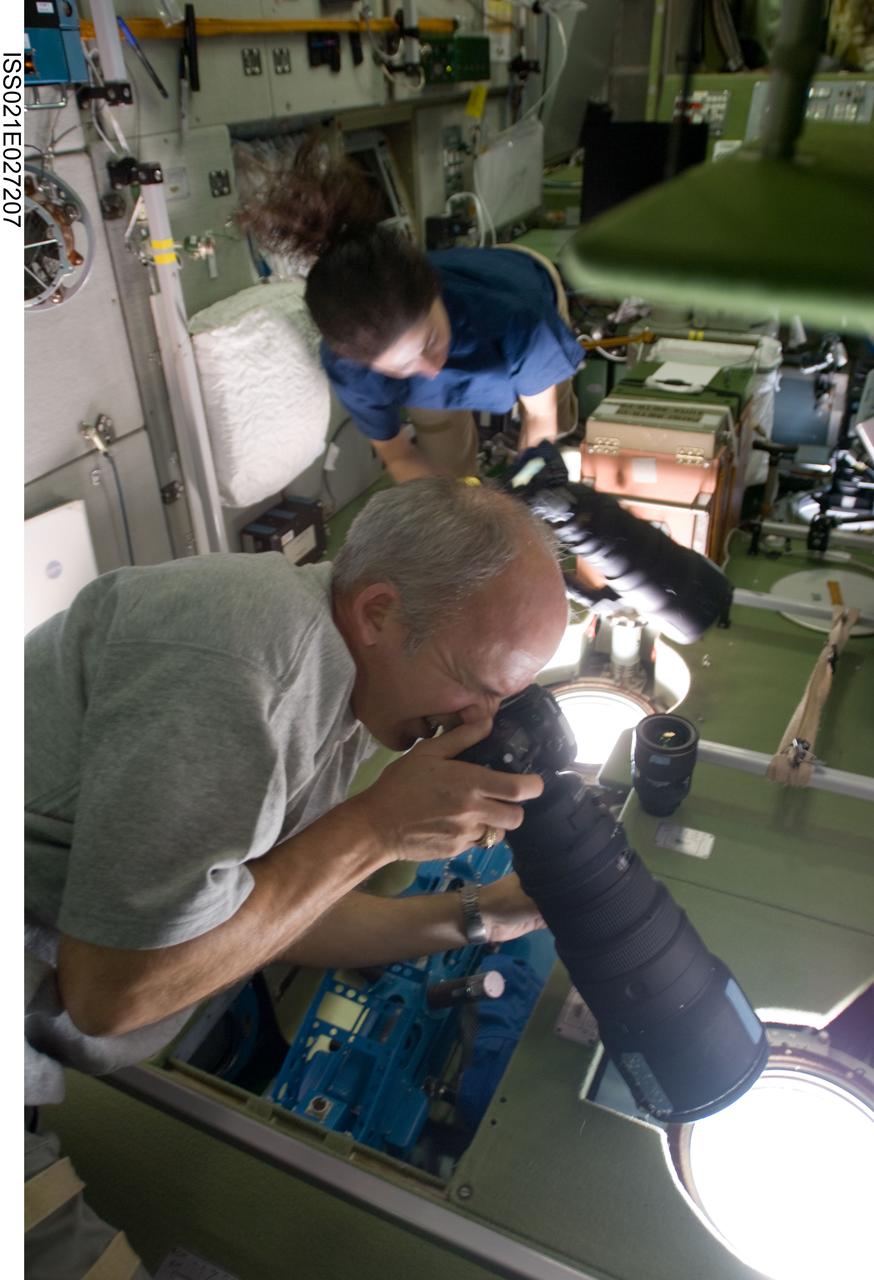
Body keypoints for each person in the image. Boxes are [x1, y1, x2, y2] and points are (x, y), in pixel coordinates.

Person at [25, 478, 567, 1275]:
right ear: (379, 612)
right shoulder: (247, 668)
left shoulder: (343, 678)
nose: (481, 724)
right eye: (478, 688)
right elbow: (110, 996)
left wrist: (482, 913)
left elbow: (270, 910)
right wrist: (376, 829)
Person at [237, 134, 583, 483]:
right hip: (444, 317)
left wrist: (526, 488)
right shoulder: (351, 365)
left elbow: (541, 419)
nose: (431, 369)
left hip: (521, 279)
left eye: (429, 341)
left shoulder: (517, 320)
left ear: (435, 289)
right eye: (402, 366)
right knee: (445, 471)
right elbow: (399, 455)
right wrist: (447, 507)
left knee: (555, 430)